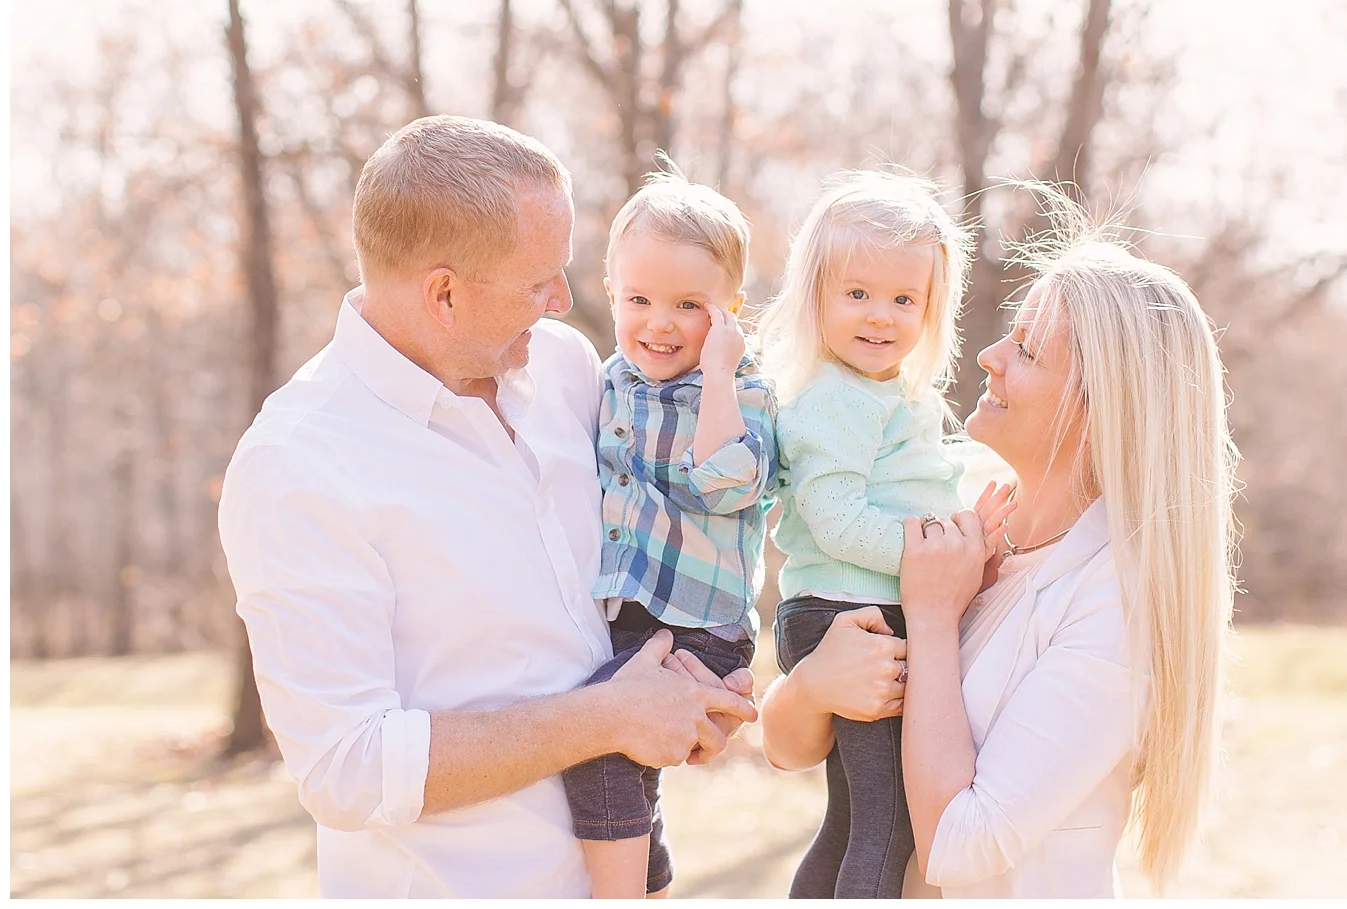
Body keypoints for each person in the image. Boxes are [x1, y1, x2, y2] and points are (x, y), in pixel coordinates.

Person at [217, 115, 757, 898]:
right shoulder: (299, 463)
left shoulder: (568, 369)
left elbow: (614, 593)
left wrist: (684, 695)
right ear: (443, 292)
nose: (566, 300)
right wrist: (610, 717)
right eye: (540, 281)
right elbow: (346, 767)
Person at [759, 192, 1239, 897]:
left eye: (1026, 349)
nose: (987, 355)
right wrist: (809, 684)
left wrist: (928, 615)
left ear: (1099, 403)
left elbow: (960, 849)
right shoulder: (950, 495)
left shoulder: (1114, 604)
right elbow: (788, 747)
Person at [755, 171, 1008, 898]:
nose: (881, 316)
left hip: (853, 608)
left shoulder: (889, 395)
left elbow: (913, 487)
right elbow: (835, 518)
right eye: (857, 293)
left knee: (851, 820)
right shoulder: (835, 397)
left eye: (905, 299)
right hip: (850, 615)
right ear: (816, 297)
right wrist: (938, 556)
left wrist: (966, 528)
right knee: (890, 824)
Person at [558, 167, 779, 897]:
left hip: (697, 625)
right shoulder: (609, 379)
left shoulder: (742, 390)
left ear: (729, 312)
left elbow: (730, 481)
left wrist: (717, 374)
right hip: (631, 617)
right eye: (640, 298)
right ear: (612, 290)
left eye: (689, 304)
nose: (659, 322)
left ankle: (624, 894)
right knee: (620, 760)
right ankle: (649, 882)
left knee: (598, 743)